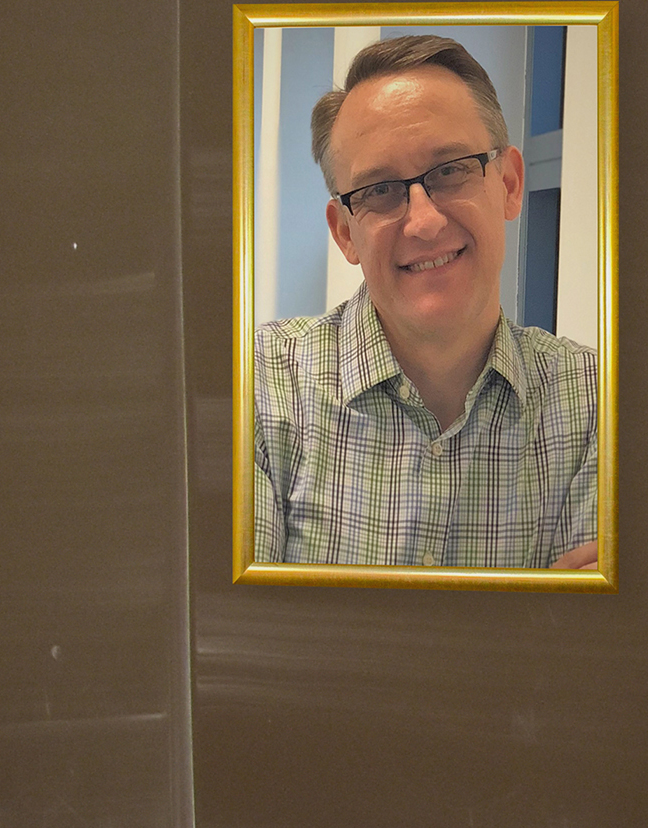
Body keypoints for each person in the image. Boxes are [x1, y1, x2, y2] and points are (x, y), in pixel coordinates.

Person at [248, 33, 599, 572]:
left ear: (508, 184)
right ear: (345, 233)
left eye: (451, 169)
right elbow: (238, 642)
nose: (425, 220)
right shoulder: (255, 389)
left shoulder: (601, 404)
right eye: (381, 190)